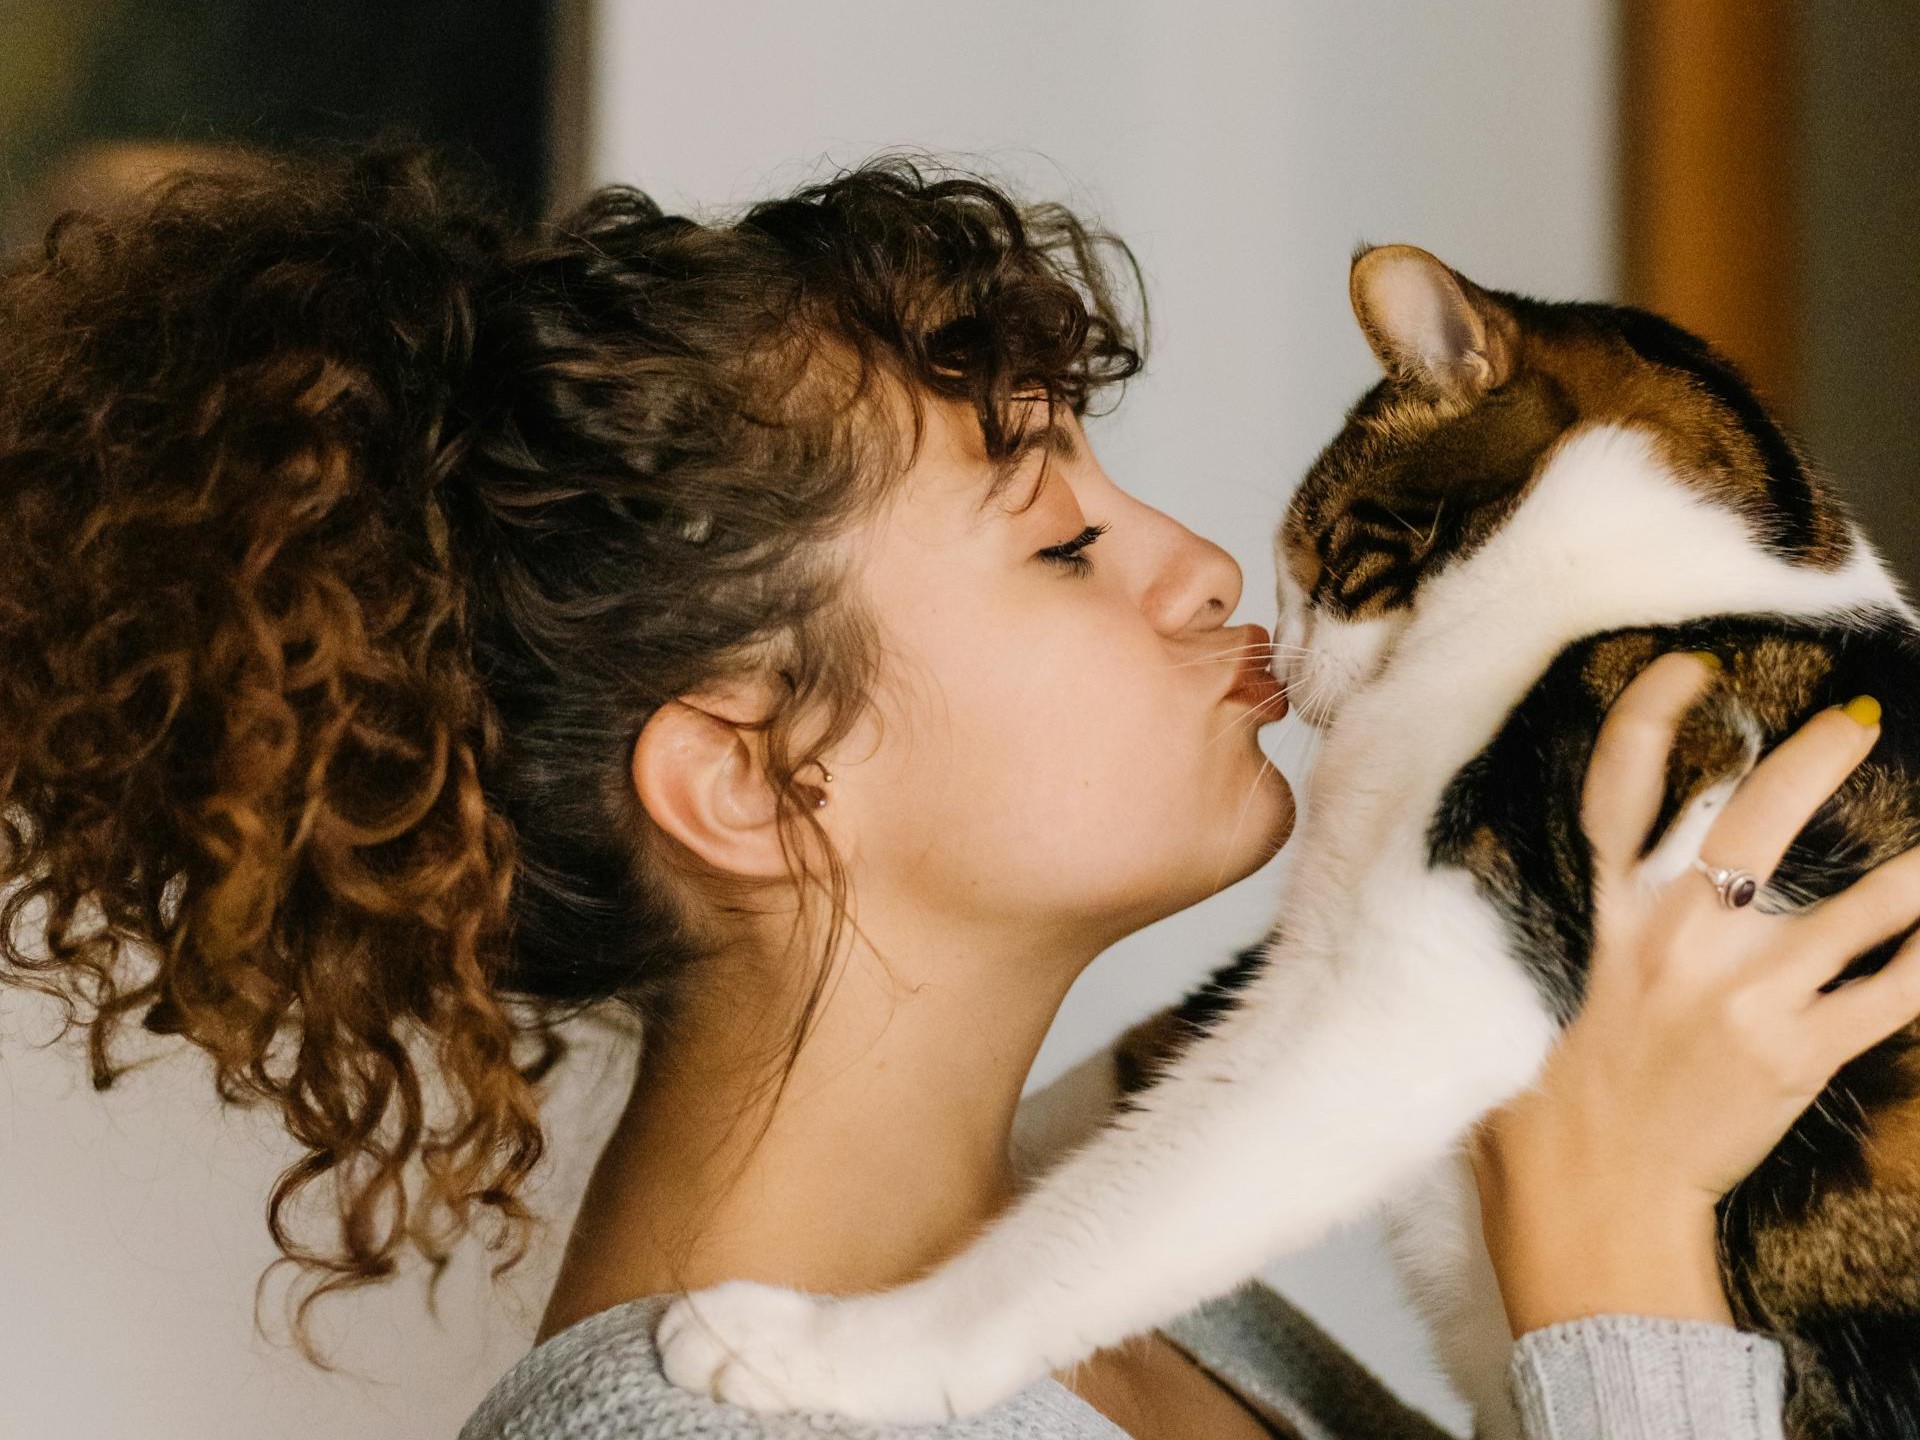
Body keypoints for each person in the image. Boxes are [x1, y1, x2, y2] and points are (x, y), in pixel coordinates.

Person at [5, 134, 1919, 1440]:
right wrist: (1615, 1253)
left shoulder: (1119, 1289)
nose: (1196, 564)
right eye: (1059, 546)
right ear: (750, 783)